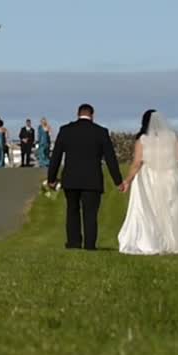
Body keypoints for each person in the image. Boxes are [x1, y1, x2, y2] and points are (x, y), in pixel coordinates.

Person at [117, 110, 178, 255]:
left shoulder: (143, 139)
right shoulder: (172, 137)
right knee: (171, 211)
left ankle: (153, 241)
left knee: (150, 211)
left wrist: (128, 180)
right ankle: (175, 243)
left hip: (150, 179)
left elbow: (137, 162)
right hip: (170, 178)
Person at [47, 103, 123, 250]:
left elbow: (55, 156)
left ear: (78, 114)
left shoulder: (66, 130)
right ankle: (89, 244)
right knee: (90, 213)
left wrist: (51, 178)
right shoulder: (101, 132)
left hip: (71, 178)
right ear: (92, 115)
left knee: (72, 211)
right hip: (92, 179)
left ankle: (73, 242)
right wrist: (118, 181)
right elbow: (110, 158)